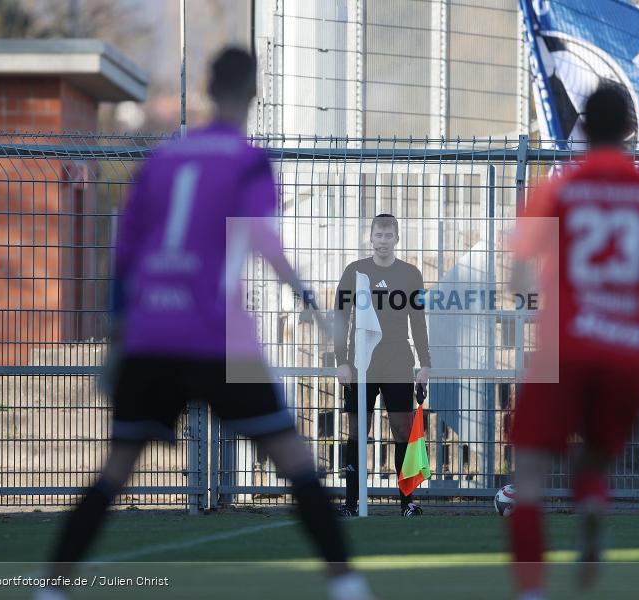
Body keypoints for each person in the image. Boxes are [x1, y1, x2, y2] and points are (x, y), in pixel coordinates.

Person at [34, 47, 374, 600]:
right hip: (216, 335)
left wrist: (120, 330)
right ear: (253, 91)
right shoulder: (248, 161)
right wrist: (312, 307)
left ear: (208, 90)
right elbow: (262, 238)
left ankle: (51, 589)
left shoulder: (163, 157)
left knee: (115, 470)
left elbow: (125, 249)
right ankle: (347, 585)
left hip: (151, 335)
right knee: (295, 461)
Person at [507, 83, 639, 600]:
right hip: (627, 351)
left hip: (567, 344)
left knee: (529, 475)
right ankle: (592, 502)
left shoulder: (559, 187)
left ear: (586, 129)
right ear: (631, 131)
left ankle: (531, 592)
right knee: (593, 456)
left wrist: (545, 306)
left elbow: (518, 273)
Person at [334, 213, 431, 517]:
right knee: (356, 431)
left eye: (389, 235)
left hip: (398, 360)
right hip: (361, 362)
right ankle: (351, 504)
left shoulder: (411, 274)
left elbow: (418, 320)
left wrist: (425, 363)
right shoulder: (355, 271)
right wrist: (342, 361)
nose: (383, 241)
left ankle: (407, 503)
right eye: (379, 235)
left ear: (397, 238)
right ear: (371, 237)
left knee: (402, 430)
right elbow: (340, 317)